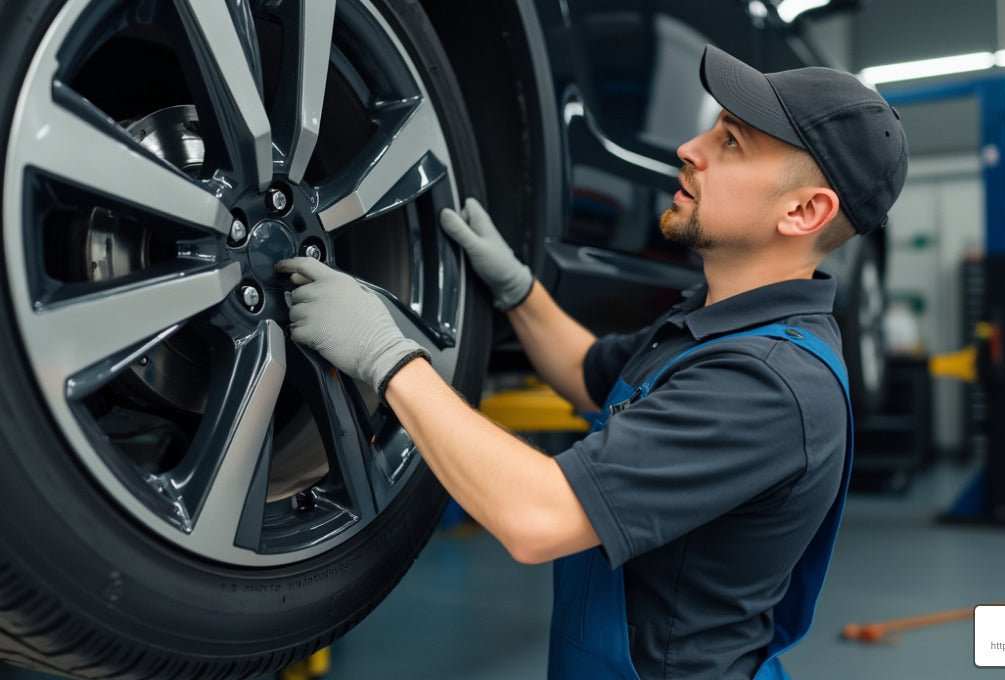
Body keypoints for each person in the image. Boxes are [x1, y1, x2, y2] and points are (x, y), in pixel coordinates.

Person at [275, 44, 907, 680]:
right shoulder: (717, 324)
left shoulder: (769, 384)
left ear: (804, 212)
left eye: (733, 144)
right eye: (713, 127)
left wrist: (387, 357)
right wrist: (520, 291)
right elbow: (590, 373)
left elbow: (538, 518)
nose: (690, 148)